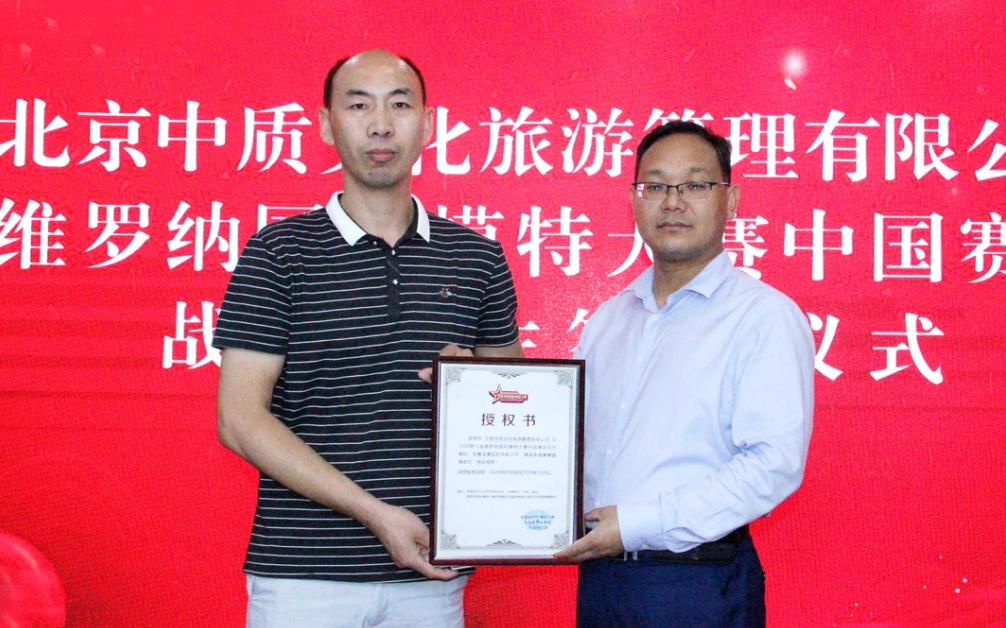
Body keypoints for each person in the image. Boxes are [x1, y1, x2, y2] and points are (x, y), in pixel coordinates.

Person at [212, 49, 523, 628]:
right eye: (359, 106)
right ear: (326, 124)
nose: (381, 125)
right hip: (302, 578)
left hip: (430, 577)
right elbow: (239, 419)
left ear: (428, 124)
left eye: (399, 105)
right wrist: (373, 513)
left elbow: (516, 410)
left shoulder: (477, 258)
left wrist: (473, 386)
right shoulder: (277, 254)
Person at [554, 120, 814, 627]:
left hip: (696, 584)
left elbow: (773, 464)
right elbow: (569, 439)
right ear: (634, 200)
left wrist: (637, 525)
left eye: (694, 185)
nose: (672, 202)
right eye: (654, 186)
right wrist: (476, 395)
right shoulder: (609, 319)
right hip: (603, 578)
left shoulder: (762, 317)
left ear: (730, 200)